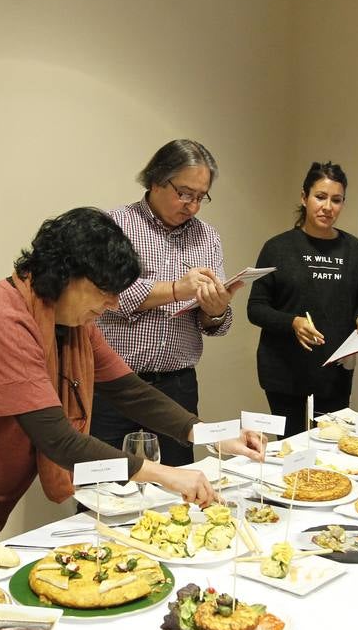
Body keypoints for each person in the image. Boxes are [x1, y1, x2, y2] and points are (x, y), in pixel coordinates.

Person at [0, 208, 263, 592]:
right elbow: (58, 440)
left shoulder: (71, 322)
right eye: (104, 290)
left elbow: (129, 391)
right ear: (64, 276)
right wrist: (166, 475)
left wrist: (214, 435)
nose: (113, 304)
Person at [91, 140, 244, 466]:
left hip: (177, 386)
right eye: (185, 193)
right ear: (156, 179)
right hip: (113, 383)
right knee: (104, 491)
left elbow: (215, 325)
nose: (192, 206)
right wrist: (176, 289)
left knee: (178, 490)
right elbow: (107, 296)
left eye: (201, 197)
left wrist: (215, 310)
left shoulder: (207, 236)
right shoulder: (115, 225)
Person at [247, 161, 358, 436]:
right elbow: (255, 309)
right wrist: (293, 322)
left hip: (335, 373)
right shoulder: (277, 248)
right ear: (304, 198)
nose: (328, 207)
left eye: (336, 200)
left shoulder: (354, 249)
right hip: (285, 373)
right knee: (293, 453)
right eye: (320, 197)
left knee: (331, 452)